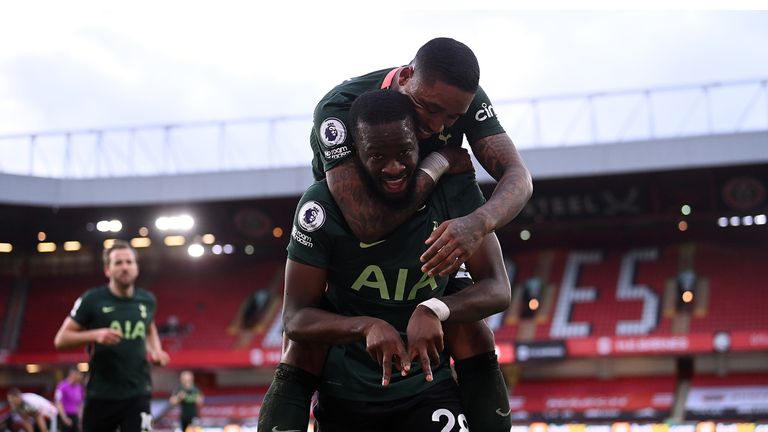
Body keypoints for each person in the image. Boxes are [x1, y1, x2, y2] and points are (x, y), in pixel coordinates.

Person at [260, 37, 526, 431]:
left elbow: (518, 178)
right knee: (302, 343)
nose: (437, 126)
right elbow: (366, 221)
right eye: (430, 110)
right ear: (404, 79)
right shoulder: (339, 110)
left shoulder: (455, 102)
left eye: (452, 120)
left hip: (423, 251)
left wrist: (477, 222)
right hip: (350, 253)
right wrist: (435, 163)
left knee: (471, 326)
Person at [53, 240, 170, 432]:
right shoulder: (92, 299)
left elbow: (149, 328)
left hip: (139, 393)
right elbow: (61, 340)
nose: (125, 267)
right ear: (107, 269)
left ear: (136, 267)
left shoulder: (147, 300)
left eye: (129, 262)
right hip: (101, 395)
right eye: (118, 263)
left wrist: (156, 351)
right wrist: (95, 334)